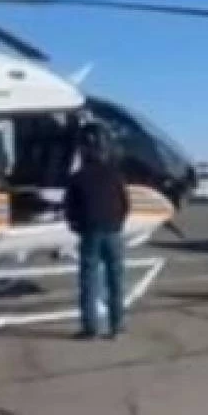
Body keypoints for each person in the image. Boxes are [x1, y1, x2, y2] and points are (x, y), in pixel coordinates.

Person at [62, 123, 131, 339]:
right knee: (115, 280)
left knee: (89, 280)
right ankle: (117, 326)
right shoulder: (115, 175)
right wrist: (117, 223)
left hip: (90, 232)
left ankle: (90, 328)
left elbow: (70, 209)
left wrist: (78, 227)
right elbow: (125, 204)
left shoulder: (78, 177)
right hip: (113, 231)